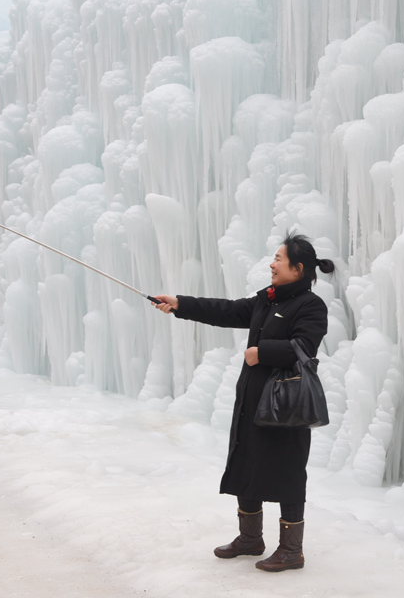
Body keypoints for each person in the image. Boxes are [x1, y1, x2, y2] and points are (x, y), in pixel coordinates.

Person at [153, 232, 334, 573]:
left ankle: (291, 550)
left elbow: (303, 349)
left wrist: (259, 352)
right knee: (247, 463)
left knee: (289, 473)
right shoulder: (267, 300)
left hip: (287, 405)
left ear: (297, 269)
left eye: (278, 259)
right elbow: (227, 310)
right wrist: (180, 303)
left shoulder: (310, 306)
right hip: (252, 400)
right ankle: (250, 539)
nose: (272, 264)